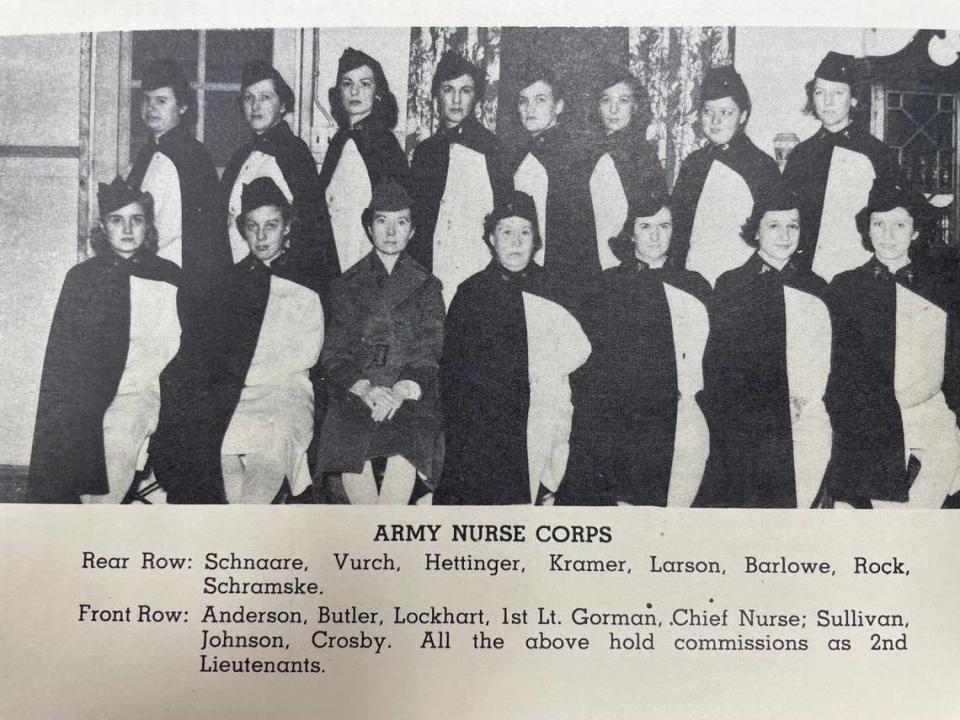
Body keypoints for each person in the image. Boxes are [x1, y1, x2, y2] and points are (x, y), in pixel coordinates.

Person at [151, 178, 324, 504]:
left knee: (271, 449)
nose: (260, 236)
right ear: (243, 229)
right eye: (252, 226)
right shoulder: (231, 282)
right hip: (236, 392)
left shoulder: (308, 279)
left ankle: (243, 525)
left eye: (271, 225)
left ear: (287, 227)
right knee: (211, 445)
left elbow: (305, 354)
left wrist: (247, 372)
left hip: (285, 392)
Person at [27, 178, 181, 503]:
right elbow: (64, 358)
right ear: (102, 226)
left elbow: (180, 351)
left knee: (119, 441)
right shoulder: (83, 278)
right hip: (91, 395)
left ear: (148, 226)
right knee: (70, 448)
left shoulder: (169, 276)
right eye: (116, 220)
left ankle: (98, 526)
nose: (127, 229)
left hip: (142, 391)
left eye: (136, 220)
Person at [434, 190, 591, 505]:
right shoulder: (471, 294)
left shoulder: (557, 291)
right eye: (506, 232)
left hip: (546, 416)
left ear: (536, 239)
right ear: (492, 238)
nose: (516, 241)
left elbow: (578, 367)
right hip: (486, 426)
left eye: (525, 232)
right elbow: (453, 375)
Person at [558, 192, 710, 507]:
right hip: (614, 424)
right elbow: (586, 365)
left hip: (671, 425)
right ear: (631, 232)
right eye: (645, 226)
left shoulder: (694, 286)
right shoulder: (605, 286)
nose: (655, 235)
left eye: (664, 226)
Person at [694, 183, 832, 508]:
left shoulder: (816, 287)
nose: (784, 235)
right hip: (745, 423)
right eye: (773, 226)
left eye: (792, 226)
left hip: (801, 420)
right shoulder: (731, 286)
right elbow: (717, 366)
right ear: (755, 231)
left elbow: (826, 362)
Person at [824, 179, 960, 509]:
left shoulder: (940, 285)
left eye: (899, 225)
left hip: (930, 409)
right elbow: (837, 368)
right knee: (882, 502)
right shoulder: (846, 287)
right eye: (878, 224)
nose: (887, 235)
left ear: (915, 232)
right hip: (873, 414)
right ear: (867, 230)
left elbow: (954, 357)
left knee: (946, 463)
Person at [315, 179, 444, 505]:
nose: (391, 232)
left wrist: (400, 390)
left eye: (401, 222)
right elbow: (333, 354)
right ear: (369, 228)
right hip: (358, 395)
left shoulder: (427, 286)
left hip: (410, 394)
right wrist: (365, 389)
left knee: (405, 453)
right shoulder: (345, 286)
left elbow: (430, 348)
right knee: (353, 454)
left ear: (412, 231)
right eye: (382, 222)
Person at [221, 60, 339, 298]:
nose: (255, 105)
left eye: (265, 97)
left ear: (283, 104)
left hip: (282, 285)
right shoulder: (239, 157)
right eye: (249, 98)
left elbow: (312, 232)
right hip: (238, 281)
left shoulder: (294, 154)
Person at [783, 51, 900, 282]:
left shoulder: (875, 152)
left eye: (837, 92)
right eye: (820, 92)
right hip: (805, 273)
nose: (827, 102)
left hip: (858, 274)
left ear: (853, 99)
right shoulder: (801, 153)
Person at [408, 51, 511, 307]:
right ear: (437, 95)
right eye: (448, 89)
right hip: (431, 275)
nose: (456, 99)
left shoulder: (493, 149)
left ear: (475, 96)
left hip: (476, 272)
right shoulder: (424, 152)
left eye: (465, 90)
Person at [671, 65, 781, 286]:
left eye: (726, 113)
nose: (715, 121)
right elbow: (678, 230)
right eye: (708, 112)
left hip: (743, 286)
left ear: (743, 116)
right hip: (693, 279)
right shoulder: (693, 163)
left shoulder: (762, 166)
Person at [127, 57, 229, 280]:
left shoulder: (192, 155)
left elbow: (175, 230)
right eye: (147, 100)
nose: (151, 107)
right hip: (148, 265)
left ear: (182, 107)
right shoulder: (148, 152)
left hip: (177, 274)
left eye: (161, 101)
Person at [510, 64, 597, 309]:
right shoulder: (520, 153)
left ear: (558, 106)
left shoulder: (569, 155)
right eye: (523, 101)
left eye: (540, 100)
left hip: (557, 279)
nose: (530, 108)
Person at [319, 48, 409, 275]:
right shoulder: (339, 141)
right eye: (347, 84)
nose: (355, 91)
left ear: (378, 93)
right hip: (335, 256)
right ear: (339, 92)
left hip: (369, 263)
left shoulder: (385, 144)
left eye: (365, 83)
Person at [587, 65, 668, 271]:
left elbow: (650, 218)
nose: (613, 110)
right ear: (597, 106)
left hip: (624, 266)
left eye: (623, 101)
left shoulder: (643, 156)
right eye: (606, 100)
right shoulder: (588, 153)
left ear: (636, 107)